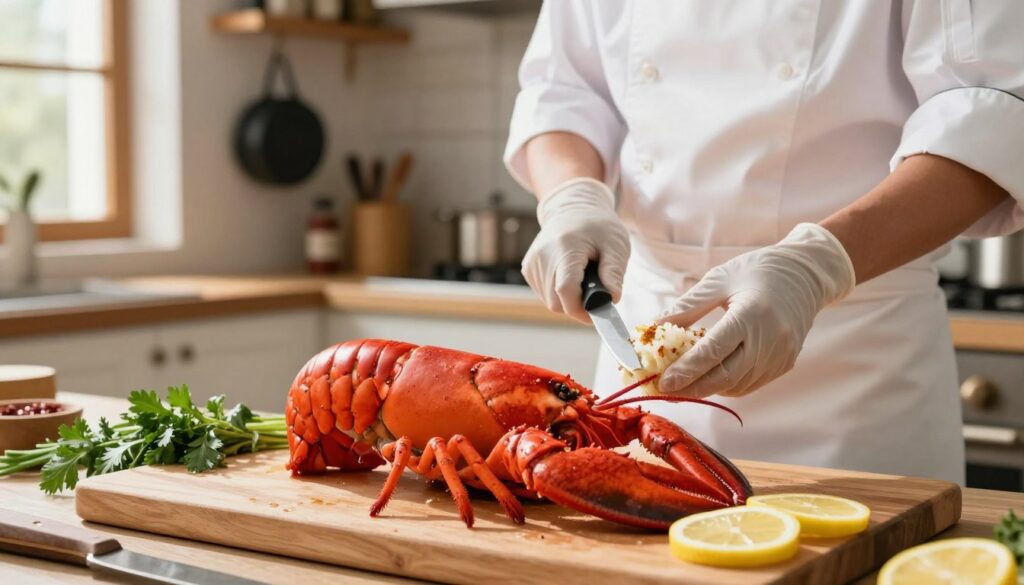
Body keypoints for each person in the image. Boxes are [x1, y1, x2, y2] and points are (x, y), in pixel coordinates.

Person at [504, 2, 1024, 483]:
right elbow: (563, 91)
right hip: (647, 366)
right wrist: (572, 197)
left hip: (855, 372)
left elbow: (992, 113)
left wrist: (817, 266)